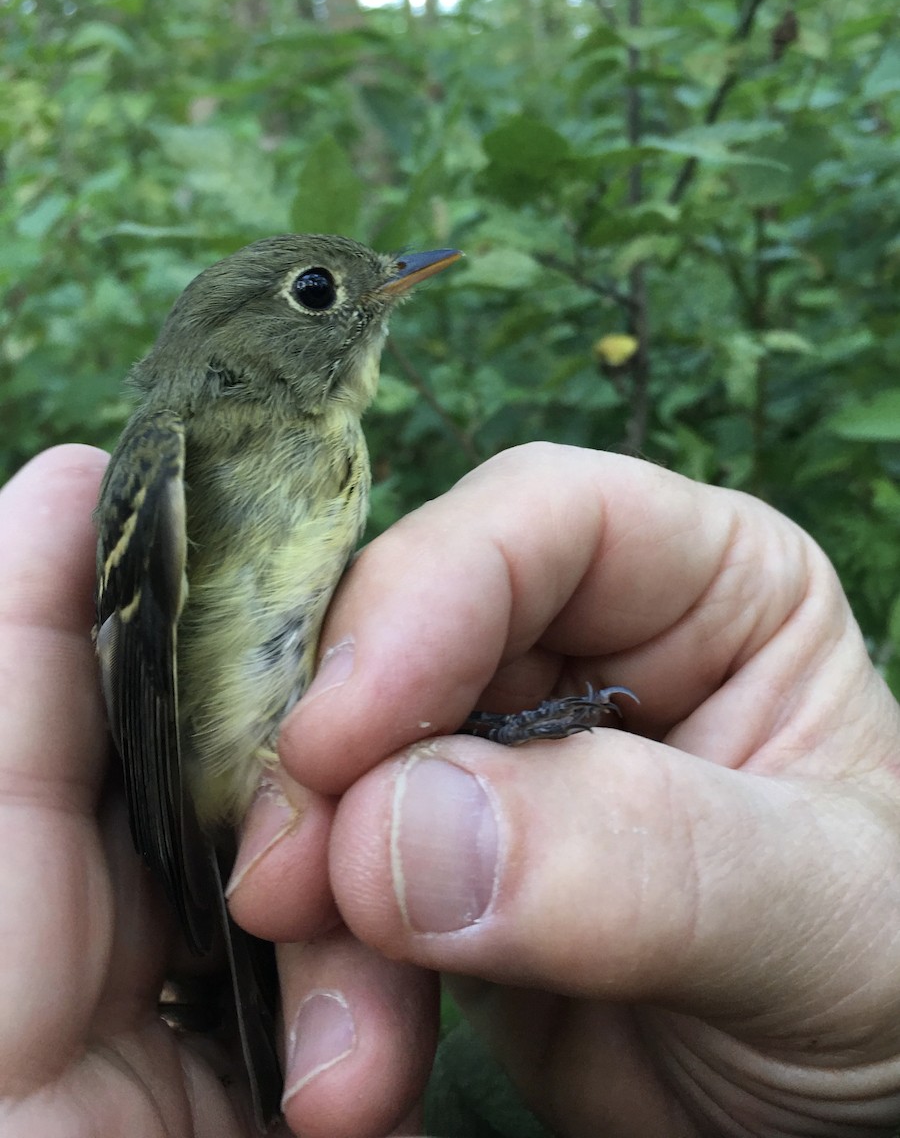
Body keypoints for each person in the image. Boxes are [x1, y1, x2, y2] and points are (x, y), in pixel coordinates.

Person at [3, 441, 900, 1138]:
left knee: (356, 758)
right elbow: (149, 681)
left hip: (304, 840)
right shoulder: (174, 450)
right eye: (317, 292)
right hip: (223, 821)